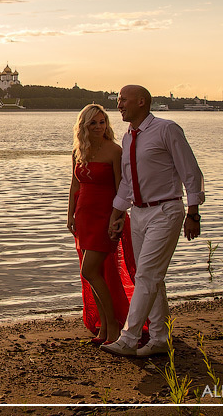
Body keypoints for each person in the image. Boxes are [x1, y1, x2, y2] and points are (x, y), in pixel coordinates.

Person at [101, 85, 205, 358]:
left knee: (147, 275)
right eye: (119, 100)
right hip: (139, 213)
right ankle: (159, 338)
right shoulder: (128, 137)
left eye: (123, 100)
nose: (119, 105)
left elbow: (191, 171)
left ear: (142, 102)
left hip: (166, 211)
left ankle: (129, 338)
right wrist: (117, 213)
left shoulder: (167, 130)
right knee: (148, 276)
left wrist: (193, 213)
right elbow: (127, 182)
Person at [66, 104, 136, 345]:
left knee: (91, 271)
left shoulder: (115, 151)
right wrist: (70, 215)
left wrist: (117, 217)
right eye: (93, 123)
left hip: (106, 215)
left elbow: (121, 187)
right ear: (84, 126)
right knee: (97, 273)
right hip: (84, 216)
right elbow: (75, 186)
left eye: (102, 122)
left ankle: (115, 327)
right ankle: (104, 327)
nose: (98, 127)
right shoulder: (78, 151)